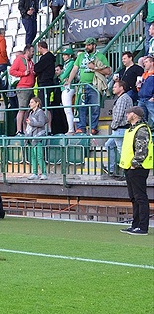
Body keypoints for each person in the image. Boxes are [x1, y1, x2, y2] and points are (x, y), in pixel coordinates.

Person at [65, 37, 112, 137]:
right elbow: (74, 69)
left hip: (94, 85)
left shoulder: (100, 56)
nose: (87, 47)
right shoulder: (81, 56)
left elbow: (108, 71)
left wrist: (94, 68)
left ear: (94, 45)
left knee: (95, 107)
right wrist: (69, 81)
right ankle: (80, 128)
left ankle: (93, 127)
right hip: (82, 85)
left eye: (89, 45)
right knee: (81, 107)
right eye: (86, 45)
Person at [118, 106, 152, 234]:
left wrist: (135, 164)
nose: (126, 115)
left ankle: (142, 227)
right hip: (130, 167)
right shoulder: (132, 129)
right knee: (134, 197)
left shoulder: (141, 129)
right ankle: (135, 224)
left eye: (129, 113)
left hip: (137, 168)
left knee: (140, 197)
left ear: (135, 115)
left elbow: (142, 149)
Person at [103, 79, 133, 177]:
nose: (113, 88)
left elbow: (119, 115)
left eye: (115, 87)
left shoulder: (123, 98)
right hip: (120, 129)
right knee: (108, 145)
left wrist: (113, 126)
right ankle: (111, 168)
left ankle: (126, 173)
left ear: (122, 88)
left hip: (120, 128)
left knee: (122, 151)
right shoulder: (123, 98)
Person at [9, 45, 35, 134]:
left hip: (30, 88)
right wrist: (23, 73)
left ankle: (25, 129)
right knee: (22, 109)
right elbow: (12, 71)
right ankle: (19, 130)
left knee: (27, 110)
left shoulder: (31, 62)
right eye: (32, 51)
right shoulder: (20, 59)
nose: (34, 53)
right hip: (23, 88)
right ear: (27, 51)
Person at [33, 40, 56, 130]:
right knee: (46, 106)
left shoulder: (46, 57)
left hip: (45, 84)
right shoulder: (49, 57)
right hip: (45, 84)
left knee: (45, 106)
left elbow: (37, 68)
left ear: (40, 47)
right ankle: (47, 127)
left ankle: (47, 127)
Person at [24, 96, 48, 179]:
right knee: (33, 156)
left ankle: (44, 173)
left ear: (37, 103)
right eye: (30, 102)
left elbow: (41, 123)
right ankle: (34, 173)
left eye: (32, 102)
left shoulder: (40, 112)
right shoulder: (31, 113)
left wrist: (31, 123)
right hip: (31, 136)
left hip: (38, 136)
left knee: (39, 156)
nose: (30, 104)